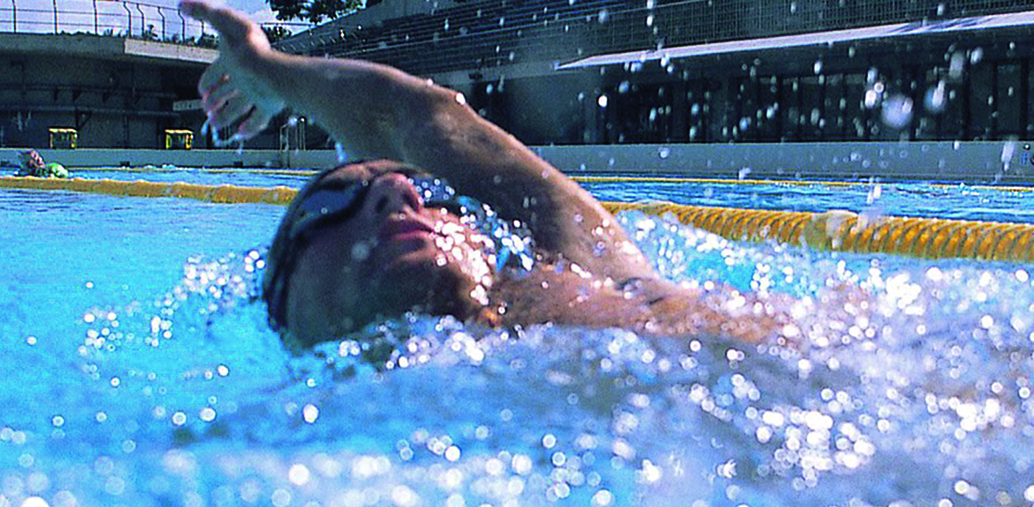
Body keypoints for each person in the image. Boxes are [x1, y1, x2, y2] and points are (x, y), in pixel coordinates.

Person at [180, 0, 783, 346]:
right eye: (332, 200)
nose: (397, 190)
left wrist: (273, 70)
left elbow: (421, 121)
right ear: (282, 301)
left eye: (439, 197)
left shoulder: (590, 289)